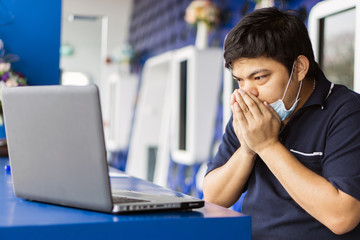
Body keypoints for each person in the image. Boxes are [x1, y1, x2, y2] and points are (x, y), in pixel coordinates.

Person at [203, 7, 360, 239]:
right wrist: (248, 149)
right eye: (240, 80)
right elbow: (214, 197)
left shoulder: (347, 111)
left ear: (299, 68)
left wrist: (267, 146)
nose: (248, 93)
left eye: (259, 78)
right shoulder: (252, 109)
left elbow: (343, 216)